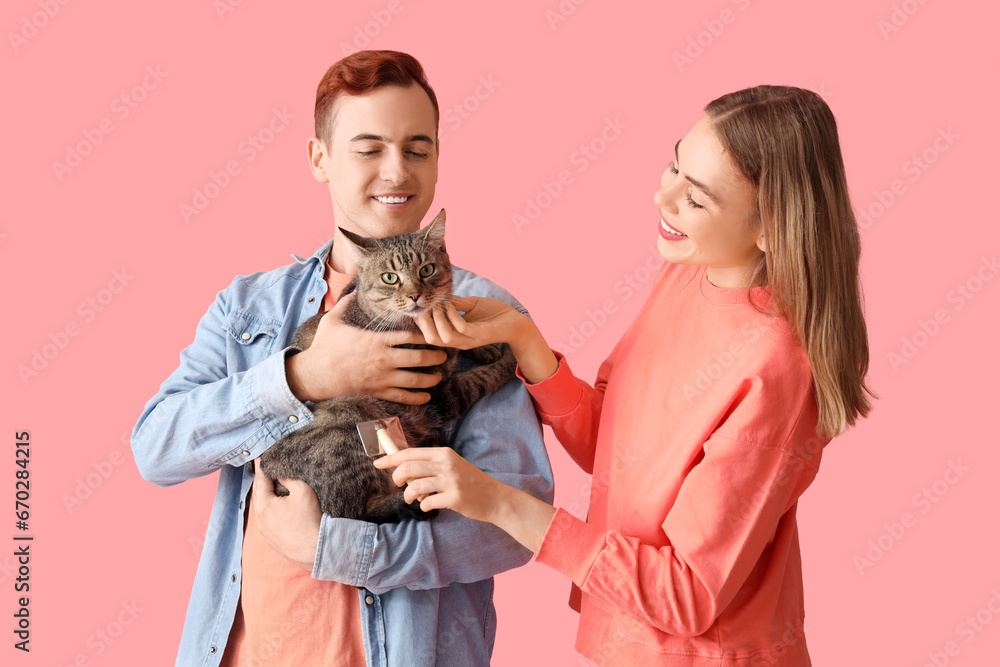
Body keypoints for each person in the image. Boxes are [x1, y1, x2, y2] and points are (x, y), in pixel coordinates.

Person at [376, 85, 876, 666]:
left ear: (769, 229)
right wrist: (522, 338)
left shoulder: (778, 372)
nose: (662, 197)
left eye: (697, 198)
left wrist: (500, 503)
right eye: (673, 164)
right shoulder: (692, 271)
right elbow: (611, 453)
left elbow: (687, 595)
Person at [130, 50, 553, 667]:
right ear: (319, 159)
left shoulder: (485, 313)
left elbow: (511, 526)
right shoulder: (250, 307)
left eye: (418, 147)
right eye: (368, 147)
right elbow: (155, 449)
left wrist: (336, 548)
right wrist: (302, 377)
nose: (396, 170)